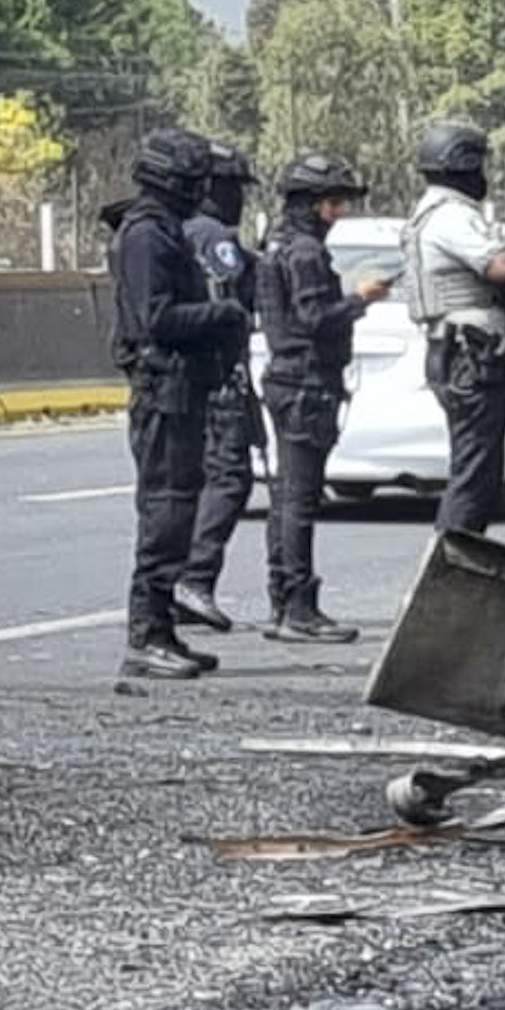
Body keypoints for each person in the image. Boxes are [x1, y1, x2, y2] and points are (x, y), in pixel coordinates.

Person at [103, 127, 249, 683]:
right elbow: (156, 319)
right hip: (163, 393)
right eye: (193, 182)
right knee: (165, 513)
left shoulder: (167, 229)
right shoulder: (146, 235)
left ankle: (162, 630)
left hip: (184, 390)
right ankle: (145, 636)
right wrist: (223, 315)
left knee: (180, 509)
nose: (201, 192)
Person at [258, 153, 392, 644]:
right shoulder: (306, 253)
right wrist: (360, 299)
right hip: (306, 382)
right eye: (333, 203)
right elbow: (315, 319)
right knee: (299, 498)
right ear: (311, 204)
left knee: (286, 498)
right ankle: (298, 607)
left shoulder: (277, 247)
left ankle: (284, 602)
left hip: (290, 379)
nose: (339, 213)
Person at [400, 118, 505, 534]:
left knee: (476, 466)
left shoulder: (428, 212)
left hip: (457, 351)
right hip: (471, 354)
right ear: (463, 166)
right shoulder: (451, 215)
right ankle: (452, 560)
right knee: (475, 472)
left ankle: (458, 556)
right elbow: (499, 267)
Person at [172, 144, 263, 636]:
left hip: (185, 378)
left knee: (190, 481)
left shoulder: (174, 229)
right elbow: (234, 296)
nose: (239, 200)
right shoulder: (213, 236)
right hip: (219, 377)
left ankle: (174, 580)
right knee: (229, 477)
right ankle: (195, 577)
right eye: (233, 188)